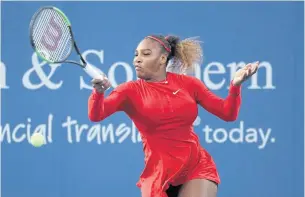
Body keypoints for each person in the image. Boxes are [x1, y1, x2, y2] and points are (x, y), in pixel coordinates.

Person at [88, 34, 259, 197]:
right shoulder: (128, 91)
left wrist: (235, 86)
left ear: (162, 59)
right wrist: (98, 93)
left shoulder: (189, 84)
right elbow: (97, 115)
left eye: (146, 54)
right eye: (136, 54)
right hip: (158, 174)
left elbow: (227, 113)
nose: (137, 59)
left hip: (195, 166)